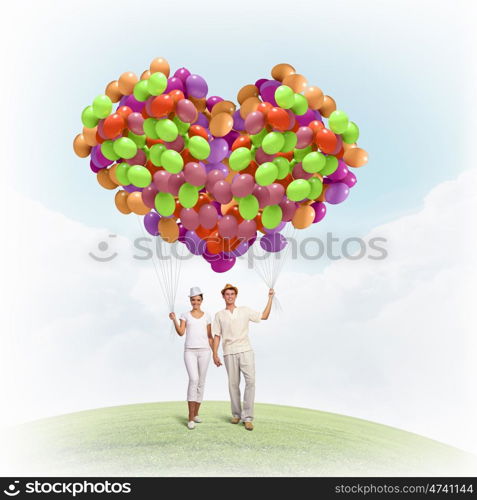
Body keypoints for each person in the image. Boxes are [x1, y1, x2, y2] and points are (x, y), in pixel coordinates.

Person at [212, 284, 274, 431]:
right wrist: (214, 354)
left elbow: (264, 316)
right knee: (233, 384)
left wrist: (270, 298)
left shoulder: (245, 310)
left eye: (232, 294)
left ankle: (248, 417)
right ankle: (236, 414)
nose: (229, 296)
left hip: (246, 350)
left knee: (250, 382)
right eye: (227, 294)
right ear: (223, 296)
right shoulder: (219, 315)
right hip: (229, 352)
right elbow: (216, 335)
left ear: (235, 296)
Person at [169, 287, 213, 430]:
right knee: (193, 379)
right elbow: (181, 332)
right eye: (193, 300)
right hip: (190, 351)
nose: (196, 302)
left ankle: (196, 414)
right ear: (190, 300)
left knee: (201, 382)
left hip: (205, 351)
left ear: (202, 300)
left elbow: (209, 336)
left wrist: (216, 354)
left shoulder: (207, 316)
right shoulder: (184, 315)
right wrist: (174, 319)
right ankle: (190, 417)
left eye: (198, 300)